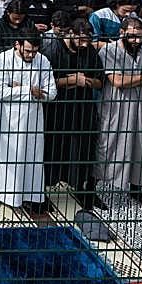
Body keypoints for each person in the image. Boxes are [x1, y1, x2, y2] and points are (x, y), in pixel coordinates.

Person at [0, 33, 57, 213]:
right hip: (8, 119)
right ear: (17, 45)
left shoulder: (43, 60)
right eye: (27, 51)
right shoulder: (3, 59)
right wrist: (30, 91)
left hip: (33, 119)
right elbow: (0, 91)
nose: (31, 55)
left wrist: (18, 88)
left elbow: (52, 92)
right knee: (5, 157)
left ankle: (30, 197)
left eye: (34, 51)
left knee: (31, 158)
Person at [43, 17, 106, 211]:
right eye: (80, 40)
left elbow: (100, 81)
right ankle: (42, 190)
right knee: (52, 147)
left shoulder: (89, 52)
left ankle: (82, 187)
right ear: (70, 33)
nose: (84, 44)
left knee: (84, 148)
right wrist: (70, 80)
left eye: (87, 40)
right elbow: (45, 81)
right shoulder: (53, 50)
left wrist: (85, 81)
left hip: (83, 107)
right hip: (58, 108)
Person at [96, 17, 142, 203]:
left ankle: (136, 188)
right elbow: (117, 82)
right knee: (109, 145)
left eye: (140, 37)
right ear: (122, 33)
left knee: (141, 146)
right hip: (117, 106)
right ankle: (93, 188)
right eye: (132, 37)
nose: (137, 41)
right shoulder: (109, 50)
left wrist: (133, 78)